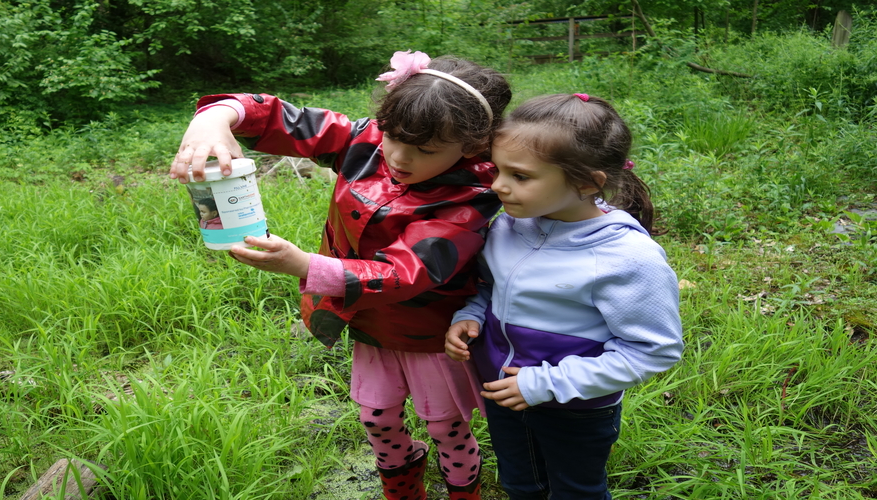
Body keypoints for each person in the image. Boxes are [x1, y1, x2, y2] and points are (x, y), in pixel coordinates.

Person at [169, 50, 512, 500]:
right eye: (392, 137)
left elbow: (408, 272)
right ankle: (402, 489)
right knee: (376, 417)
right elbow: (283, 118)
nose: (399, 157)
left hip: (432, 333)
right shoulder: (366, 144)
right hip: (369, 325)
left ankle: (464, 493)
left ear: (470, 146)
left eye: (425, 150)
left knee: (445, 425)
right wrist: (216, 118)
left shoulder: (469, 198)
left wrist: (305, 266)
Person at [445, 93, 684, 500]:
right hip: (503, 393)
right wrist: (470, 314)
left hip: (576, 408)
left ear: (588, 183)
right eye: (498, 169)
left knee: (576, 490)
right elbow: (489, 287)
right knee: (520, 484)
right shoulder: (508, 227)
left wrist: (549, 383)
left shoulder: (627, 258)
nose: (498, 185)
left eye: (520, 176)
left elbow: (654, 349)